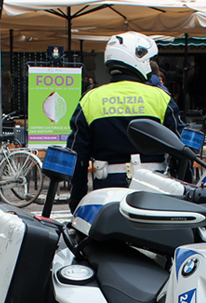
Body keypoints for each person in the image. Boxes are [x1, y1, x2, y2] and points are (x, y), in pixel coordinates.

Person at [64, 32, 181, 211]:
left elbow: (77, 157)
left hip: (106, 194)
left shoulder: (90, 99)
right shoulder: (161, 97)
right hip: (154, 191)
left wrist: (76, 199)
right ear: (139, 59)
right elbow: (181, 152)